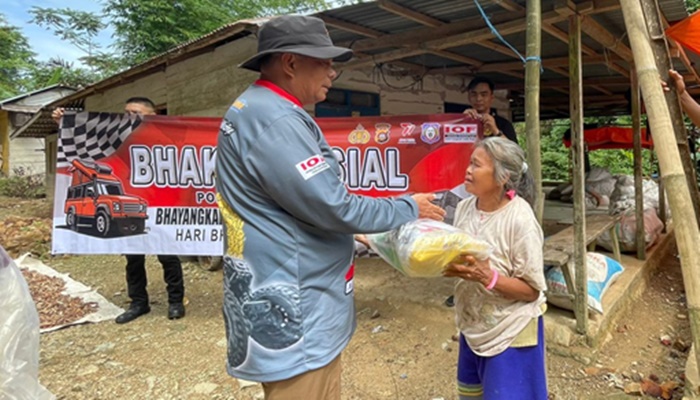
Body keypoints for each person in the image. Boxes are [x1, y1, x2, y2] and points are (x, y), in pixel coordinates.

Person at [215, 15, 445, 400]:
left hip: (284, 284)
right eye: (324, 62)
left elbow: (295, 201)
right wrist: (408, 207)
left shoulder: (254, 107)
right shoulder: (276, 119)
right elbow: (332, 206)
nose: (333, 72)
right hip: (296, 302)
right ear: (290, 63)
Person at [52, 98, 186, 324]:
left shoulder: (166, 137)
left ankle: (175, 301)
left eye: (136, 113)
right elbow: (86, 144)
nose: (129, 117)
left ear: (153, 115)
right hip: (129, 202)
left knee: (168, 256)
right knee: (133, 258)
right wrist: (64, 124)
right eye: (126, 112)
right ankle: (138, 303)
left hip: (160, 203)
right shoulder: (116, 137)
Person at [443, 137, 548, 400]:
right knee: (471, 395)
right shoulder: (465, 208)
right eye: (469, 162)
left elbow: (532, 291)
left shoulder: (520, 220)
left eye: (476, 165)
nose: (468, 170)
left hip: (510, 332)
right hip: (474, 326)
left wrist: (487, 277)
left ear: (503, 177)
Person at [462, 76, 518, 143]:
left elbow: (513, 151)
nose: (478, 99)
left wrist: (495, 130)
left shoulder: (503, 124)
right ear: (469, 97)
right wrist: (462, 121)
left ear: (491, 98)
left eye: (483, 94)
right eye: (474, 94)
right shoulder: (460, 122)